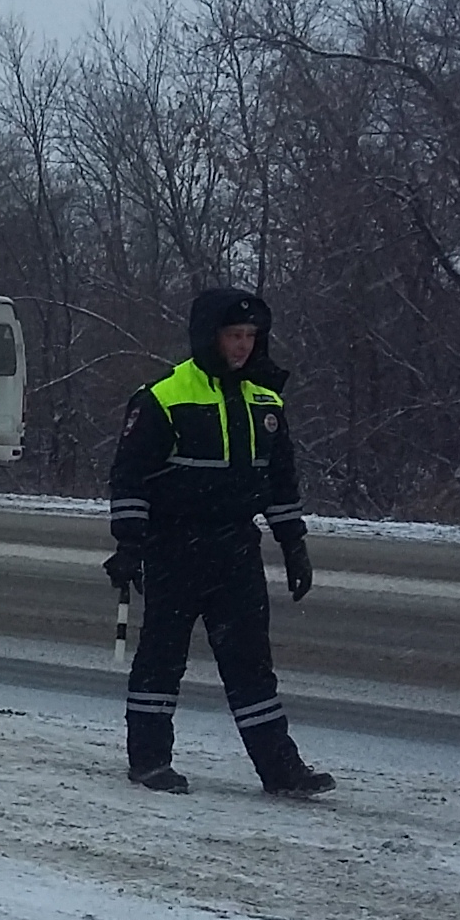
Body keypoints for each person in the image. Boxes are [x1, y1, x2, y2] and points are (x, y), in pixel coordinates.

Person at [104, 287, 334, 797]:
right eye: (234, 335)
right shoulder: (165, 397)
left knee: (252, 665)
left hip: (236, 550)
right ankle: (148, 761)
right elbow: (130, 478)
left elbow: (279, 483)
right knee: (162, 661)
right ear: (210, 336)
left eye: (251, 336)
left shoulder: (266, 401)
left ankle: (281, 771)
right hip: (174, 547)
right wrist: (129, 544)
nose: (243, 346)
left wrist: (294, 545)